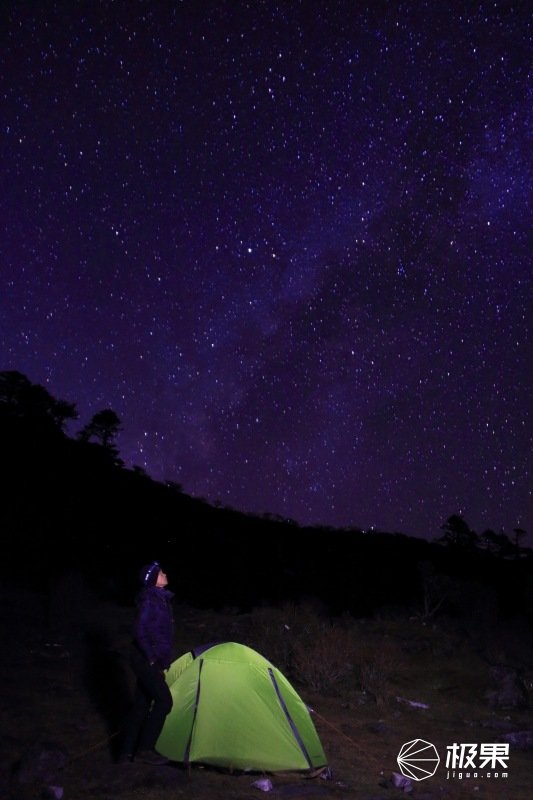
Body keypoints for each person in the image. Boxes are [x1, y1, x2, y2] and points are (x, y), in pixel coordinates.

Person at [117, 561, 175, 765]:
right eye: (161, 573)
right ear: (153, 580)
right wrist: (151, 658)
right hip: (143, 658)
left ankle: (126, 755)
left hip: (149, 659)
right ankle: (145, 750)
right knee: (164, 701)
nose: (165, 574)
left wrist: (160, 662)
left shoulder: (161, 600)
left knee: (141, 706)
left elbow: (160, 634)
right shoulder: (150, 600)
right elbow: (139, 630)